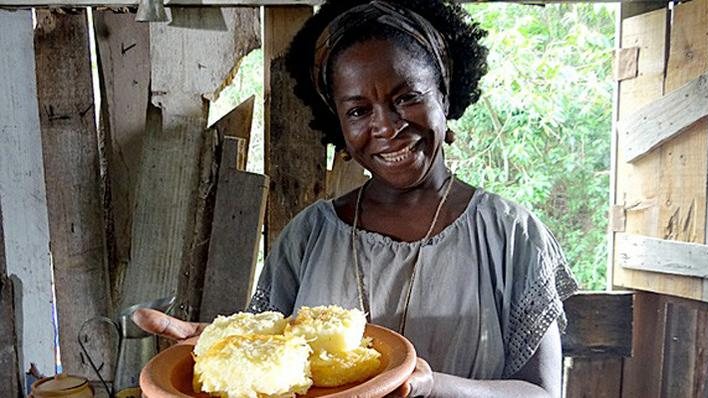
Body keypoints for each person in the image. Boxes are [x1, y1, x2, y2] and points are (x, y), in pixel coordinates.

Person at [134, 0, 578, 397]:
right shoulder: (308, 237)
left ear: (443, 95)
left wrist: (430, 384)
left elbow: (539, 392)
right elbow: (272, 358)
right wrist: (225, 351)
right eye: (358, 111)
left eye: (407, 97)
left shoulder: (512, 235)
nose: (385, 126)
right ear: (339, 126)